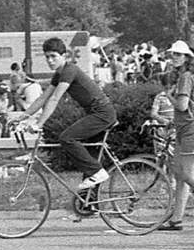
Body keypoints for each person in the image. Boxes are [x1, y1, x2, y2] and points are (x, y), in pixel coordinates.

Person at [15, 37, 117, 190]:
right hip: (96, 113)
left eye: (53, 56)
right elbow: (43, 98)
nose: (50, 60)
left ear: (64, 56)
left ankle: (97, 172)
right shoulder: (59, 74)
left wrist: (38, 124)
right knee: (90, 160)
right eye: (47, 57)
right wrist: (20, 117)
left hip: (102, 113)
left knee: (67, 138)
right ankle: (88, 208)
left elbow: (55, 98)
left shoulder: (70, 70)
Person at [159, 40, 194, 232]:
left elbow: (182, 105)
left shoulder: (185, 78)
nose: (174, 58)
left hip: (192, 130)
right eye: (173, 54)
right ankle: (176, 218)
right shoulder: (189, 76)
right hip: (189, 129)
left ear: (186, 57)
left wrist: (168, 96)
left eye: (178, 55)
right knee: (181, 176)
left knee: (189, 176)